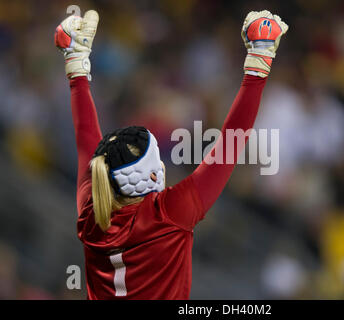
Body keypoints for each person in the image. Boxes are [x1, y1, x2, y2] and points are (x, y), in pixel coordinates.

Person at [54, 9, 288, 299]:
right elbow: (230, 145)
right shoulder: (168, 214)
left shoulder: (92, 215)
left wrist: (259, 61)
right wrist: (259, 60)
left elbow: (85, 138)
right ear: (154, 174)